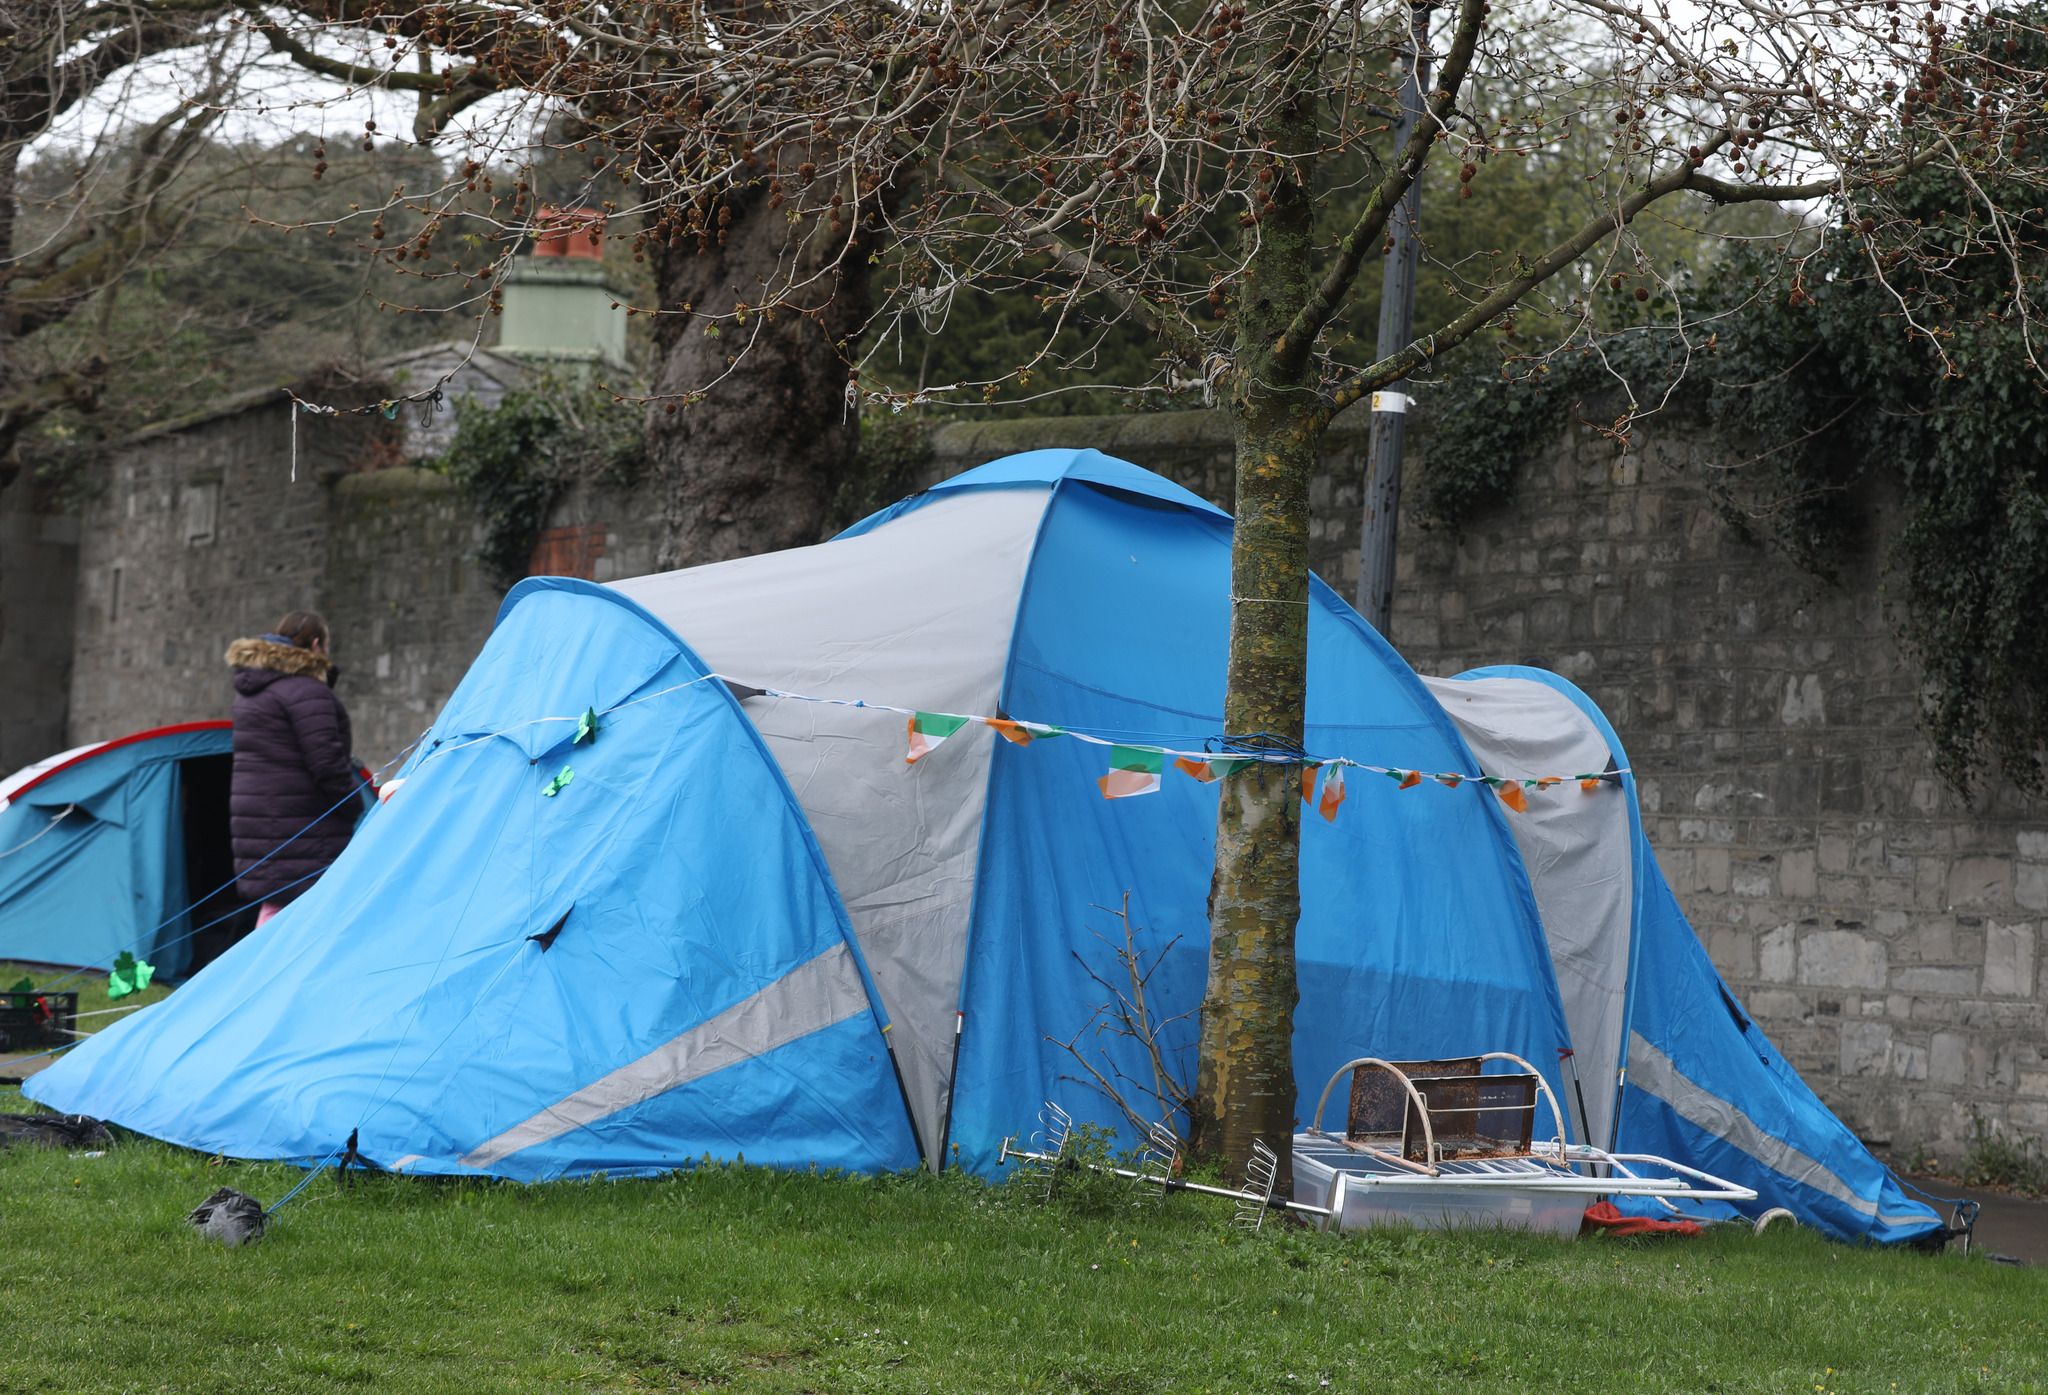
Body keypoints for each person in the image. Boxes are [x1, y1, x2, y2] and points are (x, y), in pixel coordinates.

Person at [225, 611, 359, 926]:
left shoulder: (252, 691)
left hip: (257, 818)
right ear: (316, 645)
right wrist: (353, 803)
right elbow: (327, 763)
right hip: (303, 820)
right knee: (307, 910)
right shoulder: (307, 691)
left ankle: (257, 972)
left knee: (277, 905)